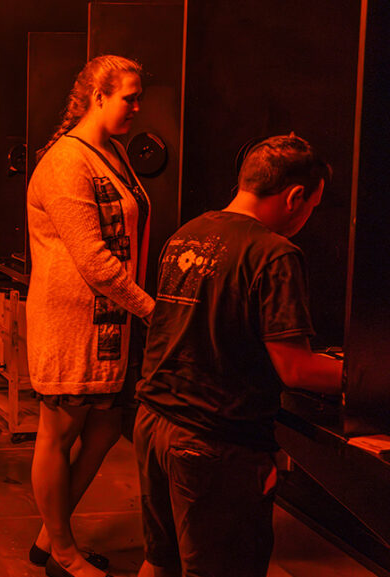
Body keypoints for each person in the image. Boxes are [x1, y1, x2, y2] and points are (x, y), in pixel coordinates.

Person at [134, 134, 343, 577]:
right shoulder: (275, 253)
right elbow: (296, 368)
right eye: (312, 206)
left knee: (160, 560)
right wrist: (363, 377)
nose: (308, 217)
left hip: (153, 424)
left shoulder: (186, 235)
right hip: (211, 442)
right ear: (295, 196)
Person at [26, 55, 153, 577]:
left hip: (109, 325)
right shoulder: (66, 162)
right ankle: (61, 550)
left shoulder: (114, 151)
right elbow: (95, 260)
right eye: (129, 96)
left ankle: (46, 535)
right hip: (71, 321)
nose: (138, 107)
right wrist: (154, 310)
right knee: (58, 432)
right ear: (98, 97)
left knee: (102, 431)